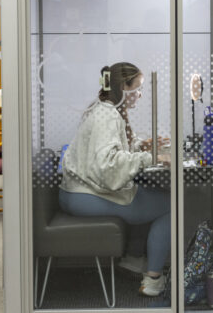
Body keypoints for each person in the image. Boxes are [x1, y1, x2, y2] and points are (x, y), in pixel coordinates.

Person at [59, 62, 170, 297]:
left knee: (145, 196)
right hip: (85, 196)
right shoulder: (107, 115)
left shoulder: (104, 109)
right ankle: (153, 279)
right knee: (171, 206)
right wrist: (149, 158)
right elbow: (107, 165)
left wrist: (141, 146)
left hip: (77, 192)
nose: (139, 94)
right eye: (137, 88)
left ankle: (132, 259)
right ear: (123, 87)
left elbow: (107, 152)